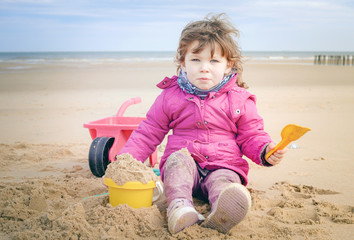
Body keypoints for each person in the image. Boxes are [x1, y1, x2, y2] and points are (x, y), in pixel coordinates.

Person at [118, 13, 286, 234]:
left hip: (223, 164)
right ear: (183, 63)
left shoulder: (239, 99)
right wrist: (126, 162)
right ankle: (180, 208)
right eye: (196, 60)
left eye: (214, 61)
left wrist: (265, 151)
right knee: (177, 164)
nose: (204, 68)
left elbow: (252, 134)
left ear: (228, 65)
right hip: (185, 162)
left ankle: (223, 211)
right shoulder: (171, 96)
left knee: (224, 183)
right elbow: (149, 131)